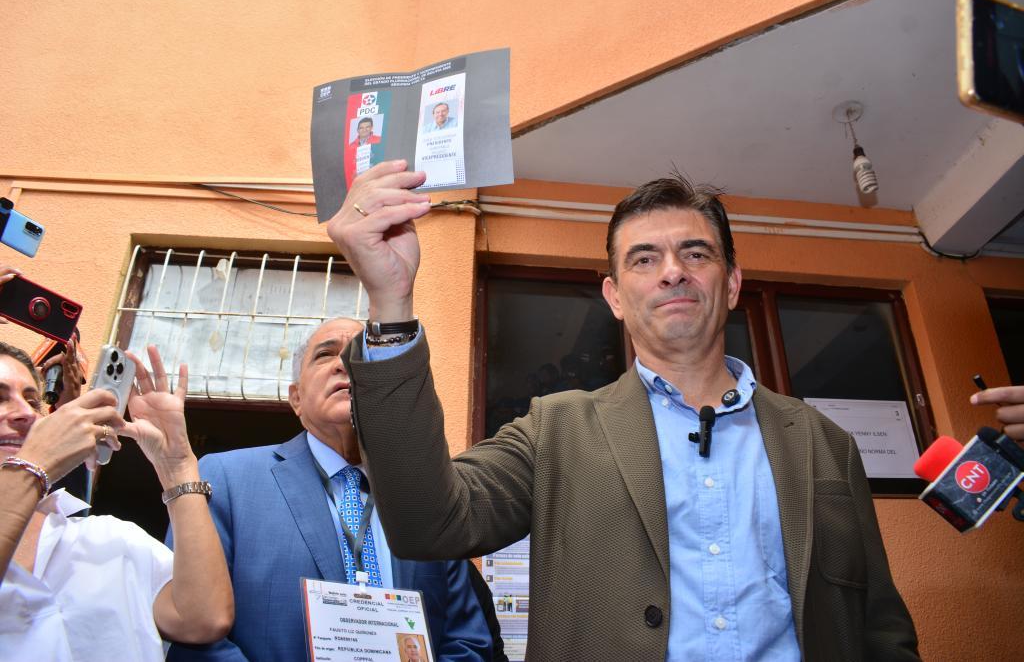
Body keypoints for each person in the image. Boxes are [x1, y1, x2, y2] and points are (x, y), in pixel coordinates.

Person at [327, 161, 920, 661]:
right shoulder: (556, 430)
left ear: (733, 284)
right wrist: (390, 303)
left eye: (695, 253)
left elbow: (880, 626)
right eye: (643, 259)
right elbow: (430, 523)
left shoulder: (824, 442)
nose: (673, 271)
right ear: (613, 296)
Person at [167, 317, 491, 661]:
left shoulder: (426, 496)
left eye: (360, 356)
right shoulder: (226, 479)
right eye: (325, 355)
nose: (344, 364)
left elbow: (467, 641)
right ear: (296, 398)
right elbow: (193, 636)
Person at [0, 342, 233, 661]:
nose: (26, 413)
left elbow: (204, 620)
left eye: (32, 401)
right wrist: (33, 465)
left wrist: (177, 467)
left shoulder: (109, 538)